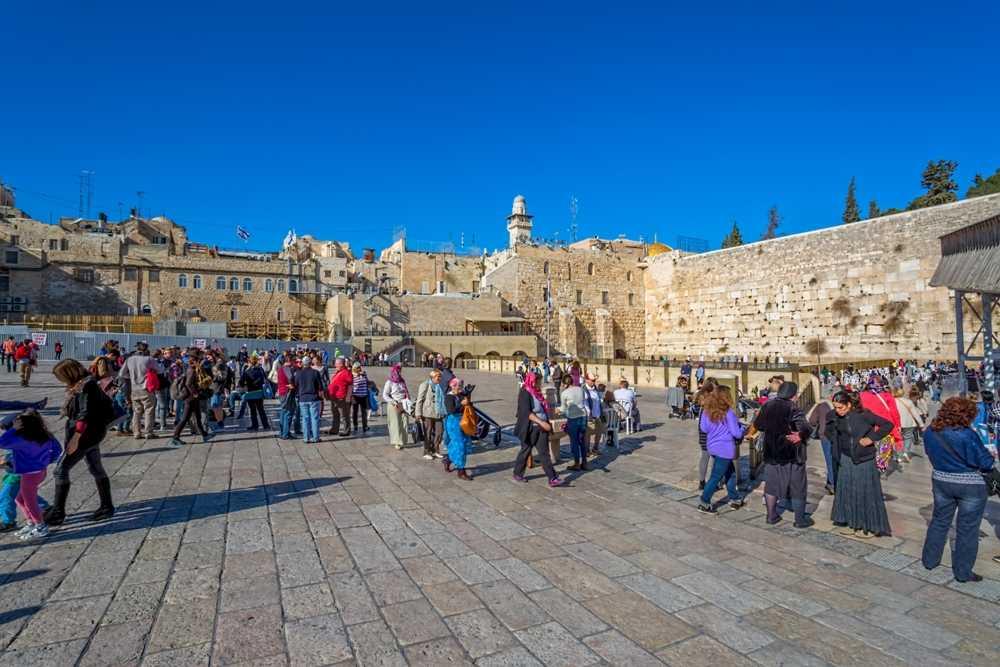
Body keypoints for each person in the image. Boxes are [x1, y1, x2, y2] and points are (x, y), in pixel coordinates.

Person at [921, 397, 997, 583]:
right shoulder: (966, 434)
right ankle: (963, 573)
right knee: (967, 529)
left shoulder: (930, 431)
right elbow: (985, 463)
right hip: (969, 485)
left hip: (941, 480)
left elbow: (930, 454)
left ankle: (930, 560)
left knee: (939, 521)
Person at [46, 359, 116, 525]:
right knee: (95, 467)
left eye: (61, 377)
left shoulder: (86, 386)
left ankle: (58, 512)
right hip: (92, 433)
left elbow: (85, 413)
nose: (61, 381)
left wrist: (75, 439)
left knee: (60, 470)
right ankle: (107, 506)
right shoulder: (85, 383)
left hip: (84, 435)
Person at [826, 390, 894, 539]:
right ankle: (852, 522)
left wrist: (871, 438)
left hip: (864, 460)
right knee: (848, 492)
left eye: (840, 407)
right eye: (835, 407)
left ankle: (868, 526)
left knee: (865, 493)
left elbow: (887, 425)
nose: (838, 411)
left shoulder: (864, 415)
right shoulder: (835, 416)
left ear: (849, 405)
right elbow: (829, 432)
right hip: (846, 459)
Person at [753, 382, 813, 527]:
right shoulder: (793, 408)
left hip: (772, 453)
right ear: (793, 394)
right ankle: (799, 520)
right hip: (792, 454)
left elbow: (759, 425)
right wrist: (801, 435)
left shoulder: (768, 405)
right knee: (798, 486)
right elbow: (806, 428)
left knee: (771, 485)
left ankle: (771, 516)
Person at [0, 410, 61, 541]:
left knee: (29, 502)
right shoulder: (45, 435)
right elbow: (58, 451)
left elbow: (2, 442)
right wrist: (46, 460)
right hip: (40, 471)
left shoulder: (22, 439)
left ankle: (40, 526)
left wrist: (13, 430)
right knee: (19, 499)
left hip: (29, 475)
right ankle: (31, 523)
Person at [697, 386, 746, 514]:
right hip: (725, 449)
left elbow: (704, 428)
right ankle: (704, 502)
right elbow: (736, 433)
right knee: (716, 477)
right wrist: (742, 429)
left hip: (712, 447)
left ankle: (735, 498)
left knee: (730, 473)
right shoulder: (728, 413)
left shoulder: (707, 411)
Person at [512, 370, 564, 487]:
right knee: (525, 451)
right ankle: (517, 473)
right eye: (538, 381)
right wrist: (542, 422)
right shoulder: (525, 393)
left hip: (541, 428)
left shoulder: (537, 393)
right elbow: (526, 413)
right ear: (532, 380)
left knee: (544, 453)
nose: (539, 384)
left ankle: (552, 478)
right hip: (530, 428)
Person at [168, 356, 215, 448]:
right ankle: (175, 437)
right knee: (185, 418)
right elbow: (188, 384)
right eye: (200, 359)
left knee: (198, 416)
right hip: (190, 398)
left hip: (194, 398)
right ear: (196, 360)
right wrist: (195, 393)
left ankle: (204, 434)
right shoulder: (191, 370)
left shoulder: (195, 369)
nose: (202, 361)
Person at [121, 342, 156, 439]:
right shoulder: (149, 359)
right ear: (146, 349)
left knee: (137, 411)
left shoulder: (129, 359)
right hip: (146, 388)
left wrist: (131, 377)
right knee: (149, 410)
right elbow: (160, 370)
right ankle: (148, 432)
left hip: (134, 388)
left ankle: (136, 432)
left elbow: (122, 373)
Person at [444, 377, 476, 480]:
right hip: (453, 423)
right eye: (459, 386)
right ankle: (461, 470)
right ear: (453, 386)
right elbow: (451, 410)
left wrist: (469, 396)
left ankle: (448, 459)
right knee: (460, 445)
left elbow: (468, 405)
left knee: (464, 442)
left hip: (463, 422)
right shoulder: (449, 397)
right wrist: (461, 404)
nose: (460, 388)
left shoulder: (461, 395)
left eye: (461, 386)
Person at [558, 374, 588, 471]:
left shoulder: (564, 393)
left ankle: (576, 463)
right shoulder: (580, 389)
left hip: (573, 418)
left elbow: (563, 408)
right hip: (583, 416)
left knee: (574, 441)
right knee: (582, 440)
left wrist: (556, 410)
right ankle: (584, 462)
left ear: (564, 383)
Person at [807, 395, 836, 495]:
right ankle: (830, 482)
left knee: (829, 460)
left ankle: (832, 484)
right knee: (836, 459)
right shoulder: (843, 405)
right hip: (839, 435)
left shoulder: (822, 406)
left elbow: (812, 421)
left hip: (825, 436)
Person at [415, 369, 445, 460]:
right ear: (432, 377)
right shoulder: (425, 385)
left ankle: (435, 450)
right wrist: (418, 413)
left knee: (439, 432)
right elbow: (419, 399)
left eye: (440, 376)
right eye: (438, 376)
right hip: (427, 412)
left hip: (438, 412)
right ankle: (427, 451)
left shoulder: (439, 386)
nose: (439, 378)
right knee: (427, 432)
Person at [693, 379, 718, 488]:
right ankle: (713, 482)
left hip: (703, 432)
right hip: (710, 432)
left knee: (705, 456)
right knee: (713, 457)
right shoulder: (710, 402)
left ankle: (702, 482)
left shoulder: (701, 398)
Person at [295, 357, 326, 444]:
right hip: (313, 398)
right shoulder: (315, 372)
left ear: (303, 363)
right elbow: (320, 386)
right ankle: (315, 437)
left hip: (303, 398)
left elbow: (295, 385)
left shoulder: (298, 373)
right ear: (310, 363)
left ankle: (306, 438)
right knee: (315, 418)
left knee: (305, 419)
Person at [382, 363, 411, 450]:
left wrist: (408, 398)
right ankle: (397, 442)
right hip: (394, 404)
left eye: (400, 370)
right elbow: (385, 395)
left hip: (404, 404)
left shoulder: (402, 381)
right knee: (395, 423)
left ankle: (404, 440)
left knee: (405, 422)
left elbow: (406, 391)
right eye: (398, 370)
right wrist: (393, 401)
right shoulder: (389, 382)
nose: (399, 372)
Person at [895, 387, 925, 464]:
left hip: (897, 424)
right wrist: (921, 424)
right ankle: (905, 452)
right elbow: (915, 414)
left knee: (897, 439)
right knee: (908, 438)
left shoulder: (893, 402)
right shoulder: (908, 402)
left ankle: (898, 456)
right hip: (908, 423)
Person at [240, 355, 270, 431]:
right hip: (259, 392)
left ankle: (255, 425)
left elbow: (241, 382)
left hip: (251, 392)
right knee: (261, 409)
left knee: (252, 410)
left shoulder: (247, 371)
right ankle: (266, 425)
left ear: (249, 362)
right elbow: (265, 379)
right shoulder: (260, 369)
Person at [327, 358, 353, 437]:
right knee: (335, 414)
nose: (335, 365)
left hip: (341, 398)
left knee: (344, 415)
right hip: (334, 398)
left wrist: (348, 396)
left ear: (341, 364)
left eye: (336, 364)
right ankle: (334, 429)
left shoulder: (346, 373)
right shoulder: (339, 372)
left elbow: (350, 385)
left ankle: (346, 430)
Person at [582, 373, 606, 456]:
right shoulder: (583, 390)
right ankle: (586, 450)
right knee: (587, 434)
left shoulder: (595, 389)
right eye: (592, 380)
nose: (593, 382)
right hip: (589, 416)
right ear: (586, 380)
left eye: (594, 380)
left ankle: (595, 448)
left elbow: (599, 401)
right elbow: (583, 404)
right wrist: (588, 415)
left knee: (599, 432)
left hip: (598, 415)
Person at [350, 362, 371, 434]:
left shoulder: (364, 374)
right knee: (355, 412)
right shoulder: (352, 375)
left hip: (364, 396)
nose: (359, 369)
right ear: (354, 368)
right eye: (358, 367)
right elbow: (350, 385)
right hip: (355, 396)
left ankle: (365, 426)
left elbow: (367, 382)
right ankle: (355, 425)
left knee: (364, 412)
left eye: (360, 367)